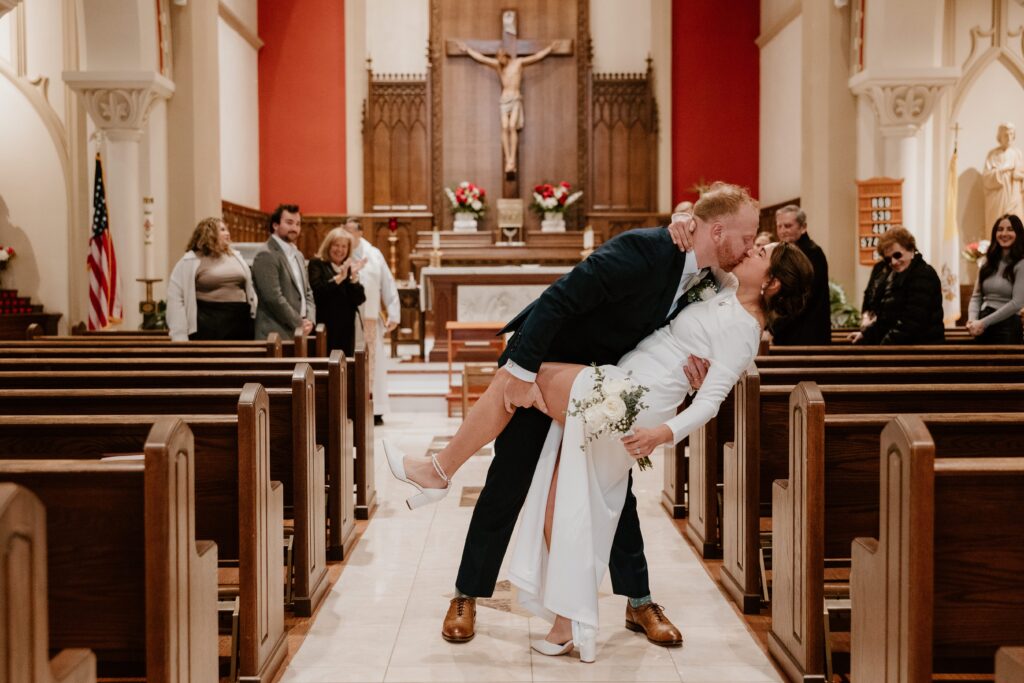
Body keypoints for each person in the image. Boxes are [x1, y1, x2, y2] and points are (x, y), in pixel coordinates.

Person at [384, 237, 813, 662]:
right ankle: (470, 593)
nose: (750, 247)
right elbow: (560, 300)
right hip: (553, 360)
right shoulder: (652, 252)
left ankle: (634, 599)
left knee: (609, 498)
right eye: (749, 240)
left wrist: (680, 394)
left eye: (758, 248)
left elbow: (709, 357)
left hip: (612, 387)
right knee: (512, 481)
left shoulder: (712, 280)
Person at [456, 39, 557, 176]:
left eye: (501, 58)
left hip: (515, 98)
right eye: (498, 59)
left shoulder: (518, 63)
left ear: (506, 56)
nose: (500, 61)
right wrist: (467, 50)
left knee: (511, 127)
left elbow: (536, 57)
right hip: (504, 99)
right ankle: (508, 158)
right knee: (504, 127)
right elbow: (482, 58)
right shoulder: (498, 66)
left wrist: (549, 49)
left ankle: (512, 160)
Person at [343, 218, 399, 425]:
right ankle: (350, 406)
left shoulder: (374, 255)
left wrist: (393, 312)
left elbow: (387, 282)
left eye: (351, 232)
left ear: (359, 232)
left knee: (374, 363)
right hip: (347, 317)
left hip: (370, 318)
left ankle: (376, 408)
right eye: (344, 231)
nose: (347, 236)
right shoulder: (340, 252)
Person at [166, 217, 257, 341]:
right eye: (223, 230)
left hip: (239, 318)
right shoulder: (190, 261)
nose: (228, 233)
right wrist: (179, 333)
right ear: (208, 233)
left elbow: (250, 287)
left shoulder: (236, 256)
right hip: (209, 320)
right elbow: (176, 297)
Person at [851, 226, 945, 345]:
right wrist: (867, 335)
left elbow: (912, 321)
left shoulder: (923, 274)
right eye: (888, 259)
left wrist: (884, 347)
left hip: (921, 348)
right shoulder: (893, 274)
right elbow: (886, 318)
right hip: (902, 346)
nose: (894, 262)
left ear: (911, 250)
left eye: (897, 255)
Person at [252, 204, 316, 340]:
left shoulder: (298, 254)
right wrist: (299, 322)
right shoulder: (266, 254)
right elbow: (273, 298)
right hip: (275, 334)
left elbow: (307, 292)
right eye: (289, 223)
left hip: (300, 331)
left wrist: (310, 320)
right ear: (275, 225)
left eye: (298, 224)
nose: (295, 228)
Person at [770, 205, 831, 345]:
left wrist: (777, 327)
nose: (782, 231)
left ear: (803, 227)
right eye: (779, 226)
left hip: (807, 332)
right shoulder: (784, 252)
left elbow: (806, 297)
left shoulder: (813, 253)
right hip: (788, 329)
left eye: (788, 226)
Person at [308, 227, 368, 356]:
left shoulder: (348, 267)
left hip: (346, 330)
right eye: (336, 245)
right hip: (325, 328)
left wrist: (353, 278)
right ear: (328, 246)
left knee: (344, 368)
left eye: (344, 246)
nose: (340, 250)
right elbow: (317, 292)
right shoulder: (317, 264)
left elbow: (359, 299)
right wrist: (339, 278)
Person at [967, 214, 1024, 344]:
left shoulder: (1021, 263)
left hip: (1007, 326)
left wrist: (983, 323)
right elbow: (977, 296)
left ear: (1018, 233)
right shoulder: (987, 262)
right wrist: (972, 321)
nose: (1004, 233)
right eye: (1000, 229)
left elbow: (1017, 303)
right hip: (983, 324)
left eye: (1010, 229)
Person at [983, 122, 1024, 230]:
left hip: (1014, 197)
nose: (1009, 138)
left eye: (1011, 134)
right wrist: (1003, 170)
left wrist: (1019, 176)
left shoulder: (1017, 154)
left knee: (1015, 224)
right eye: (1006, 135)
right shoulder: (993, 155)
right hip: (998, 198)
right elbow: (986, 178)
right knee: (997, 224)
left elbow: (1021, 174)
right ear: (1000, 137)